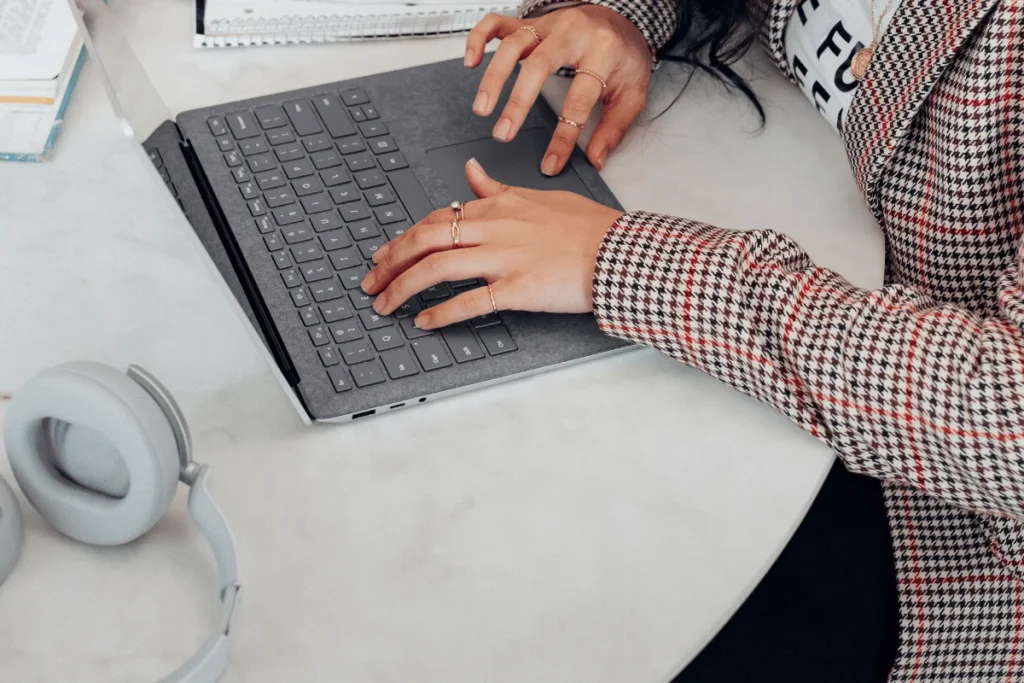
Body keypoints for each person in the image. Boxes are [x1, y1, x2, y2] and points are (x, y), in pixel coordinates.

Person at [360, 1, 1024, 679]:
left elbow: (1008, 413)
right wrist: (621, 20)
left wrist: (618, 260)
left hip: (939, 524)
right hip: (791, 315)